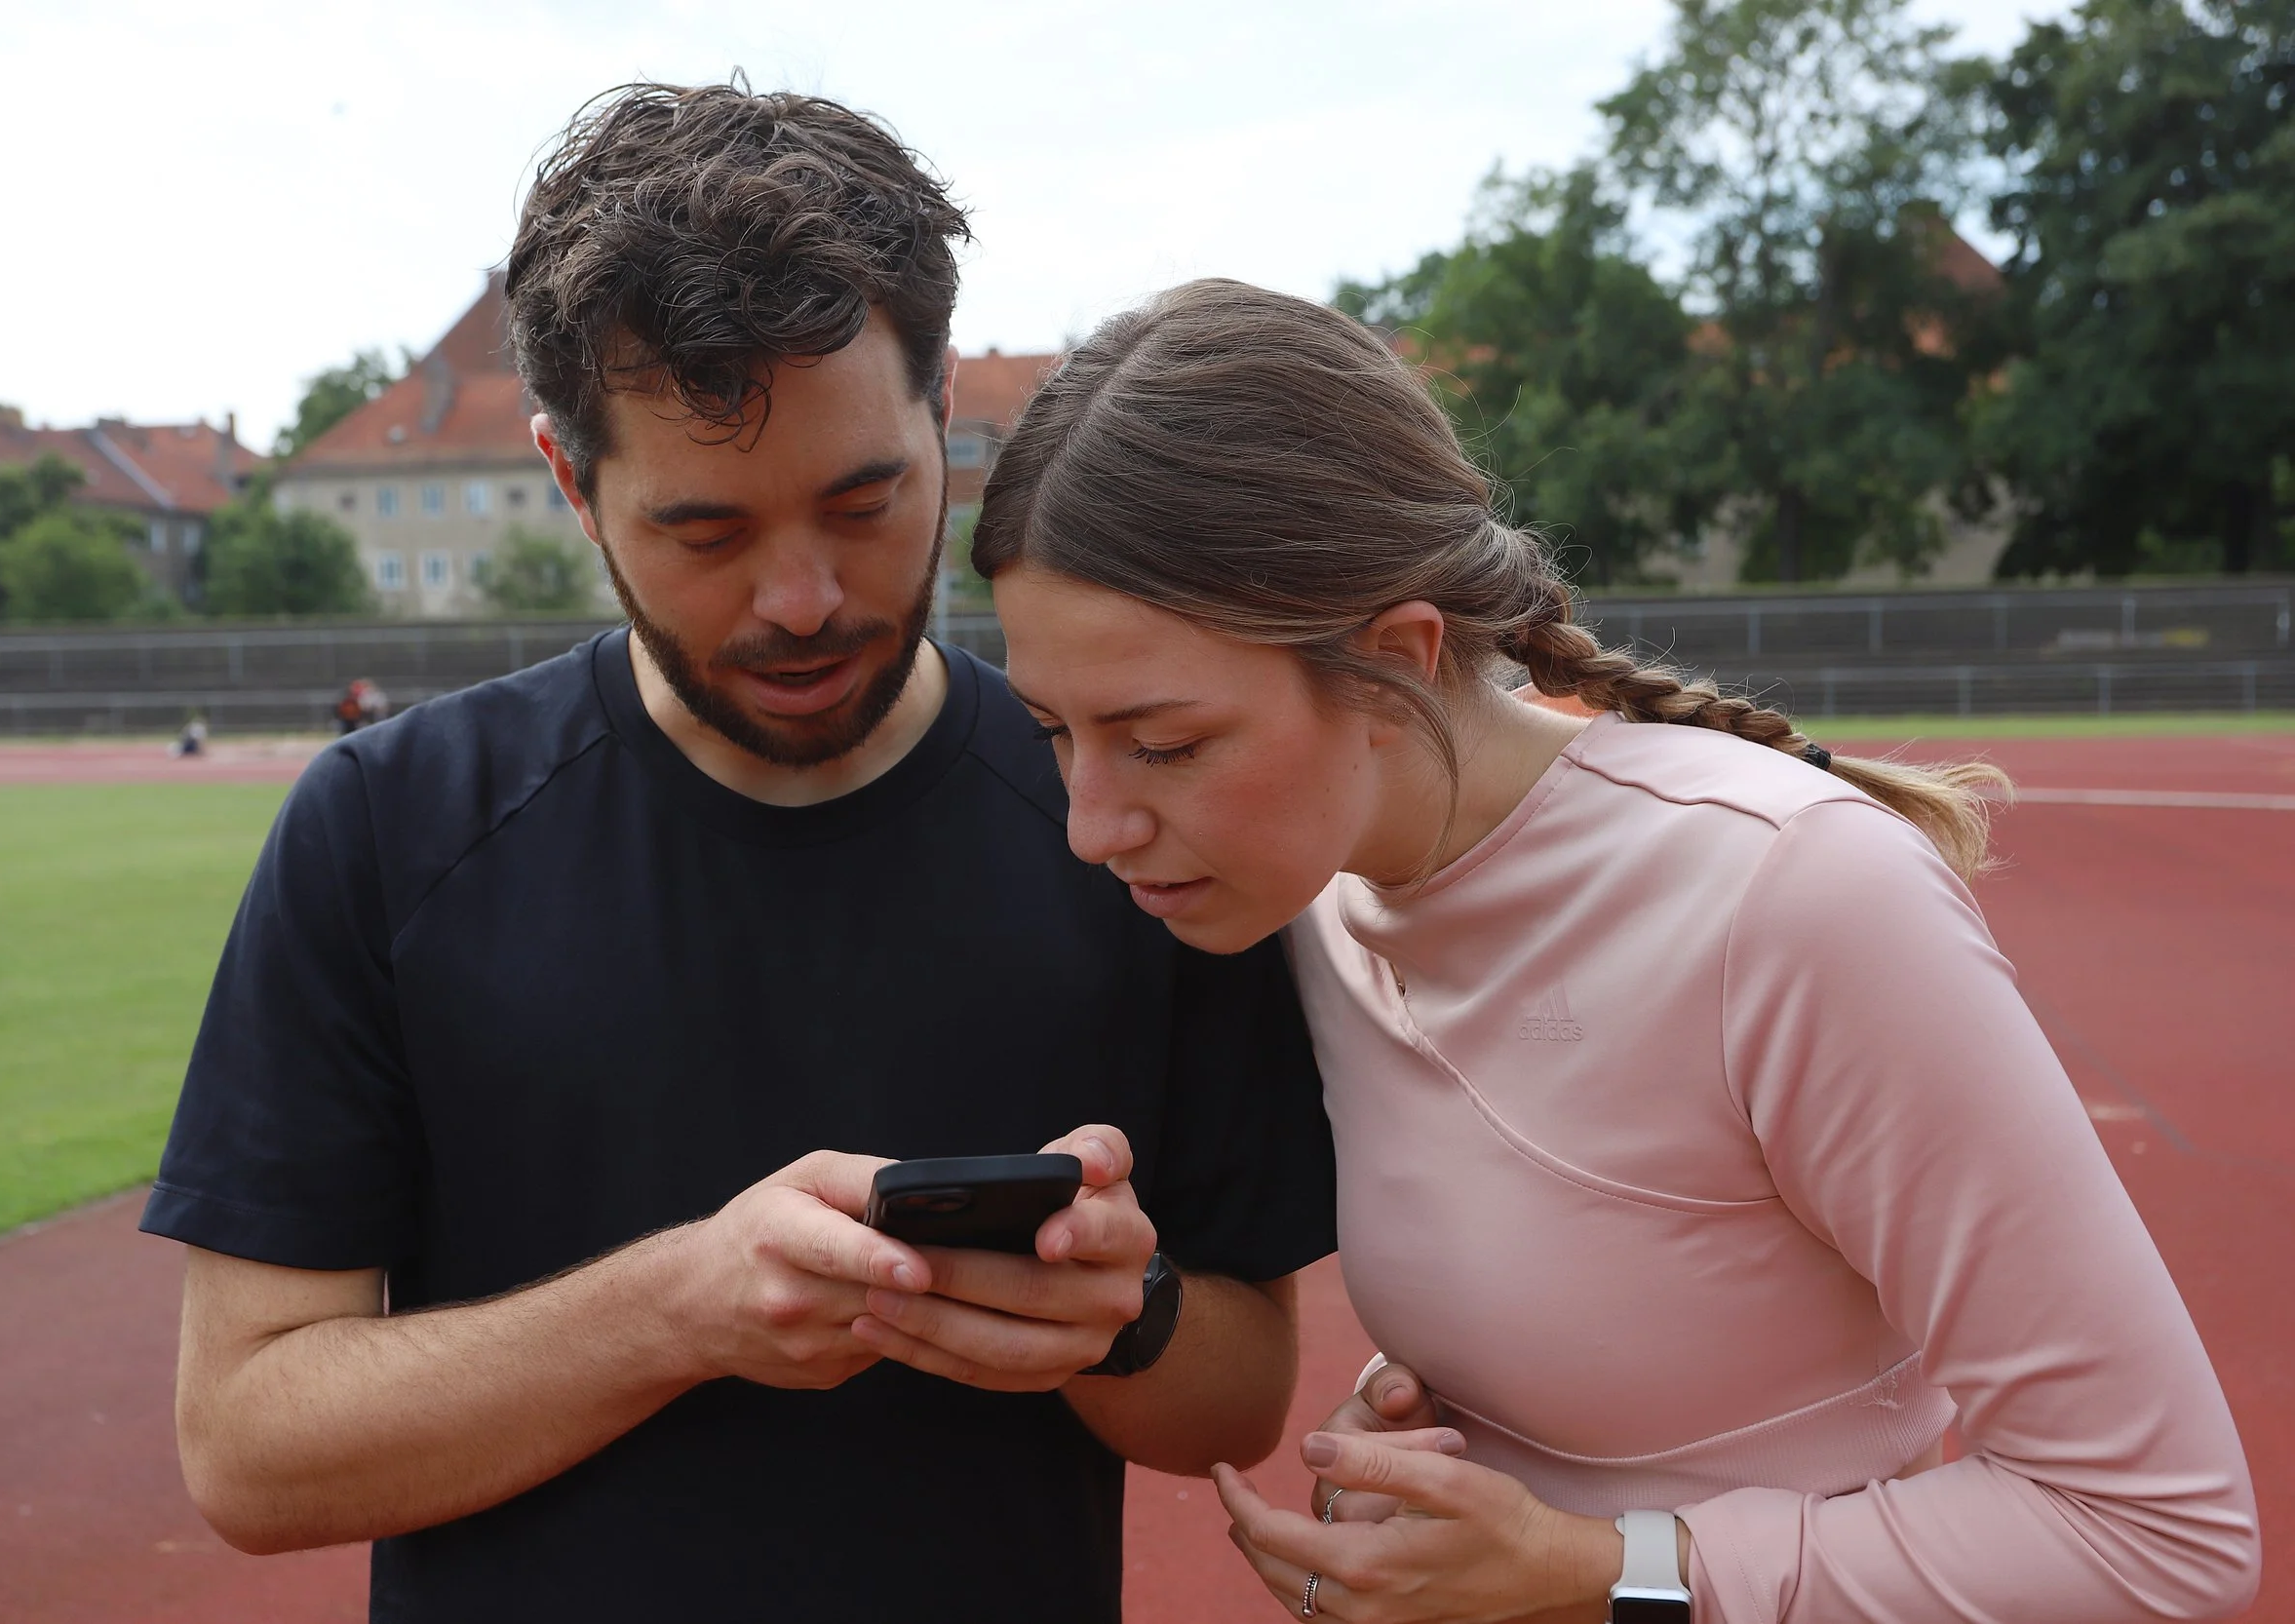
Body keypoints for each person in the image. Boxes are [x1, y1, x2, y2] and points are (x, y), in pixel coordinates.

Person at [140, 97, 1336, 1623]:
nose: (802, 597)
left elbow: (1240, 1397)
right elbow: (247, 1450)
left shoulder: (1126, 827)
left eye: (865, 500)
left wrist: (1123, 1313)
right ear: (573, 486)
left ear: (939, 414)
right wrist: (679, 1309)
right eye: (707, 531)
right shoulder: (388, 827)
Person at [975, 279, 2260, 1624]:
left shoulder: (1792, 893)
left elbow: (2160, 1530)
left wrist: (1608, 1573)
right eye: (1056, 732)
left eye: (1164, 742)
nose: (1090, 825)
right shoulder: (1312, 899)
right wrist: (1430, 1488)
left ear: (1398, 662)